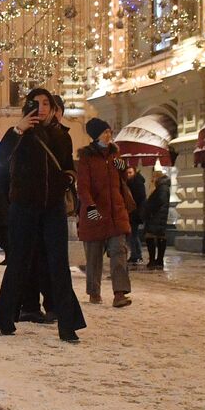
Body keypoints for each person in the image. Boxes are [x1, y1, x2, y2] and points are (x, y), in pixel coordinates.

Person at [0, 87, 86, 342]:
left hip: (53, 206)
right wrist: (18, 130)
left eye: (47, 103)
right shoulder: (20, 134)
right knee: (19, 261)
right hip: (24, 206)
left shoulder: (62, 136)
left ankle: (68, 325)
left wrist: (67, 178)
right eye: (37, 103)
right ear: (28, 106)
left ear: (54, 109)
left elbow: (68, 166)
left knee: (59, 264)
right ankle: (4, 318)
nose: (42, 108)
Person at [76, 118, 134, 308]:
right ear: (95, 135)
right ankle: (94, 292)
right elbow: (83, 187)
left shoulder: (115, 157)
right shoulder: (86, 158)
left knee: (119, 253)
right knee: (93, 257)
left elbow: (123, 179)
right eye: (105, 132)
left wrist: (123, 167)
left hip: (116, 214)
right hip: (95, 214)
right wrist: (90, 208)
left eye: (110, 131)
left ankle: (119, 293)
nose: (109, 135)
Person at [142, 171, 172, 270]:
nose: (152, 179)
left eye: (153, 177)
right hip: (159, 216)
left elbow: (159, 201)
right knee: (159, 236)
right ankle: (157, 260)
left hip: (156, 216)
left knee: (151, 236)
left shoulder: (162, 187)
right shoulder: (163, 187)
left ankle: (154, 260)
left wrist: (150, 210)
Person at [125, 164, 147, 264]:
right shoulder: (133, 182)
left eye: (130, 172)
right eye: (127, 173)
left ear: (134, 172)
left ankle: (135, 255)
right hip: (134, 213)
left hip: (134, 213)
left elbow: (139, 198)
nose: (128, 174)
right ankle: (137, 254)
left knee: (132, 235)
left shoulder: (136, 183)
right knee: (134, 234)